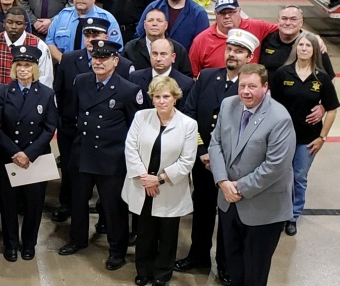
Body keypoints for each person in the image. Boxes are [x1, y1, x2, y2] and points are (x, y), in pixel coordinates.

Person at [174, 28, 260, 284]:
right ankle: (198, 255)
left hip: (233, 166)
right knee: (201, 209)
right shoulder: (208, 76)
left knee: (228, 217)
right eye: (230, 49)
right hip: (203, 162)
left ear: (249, 57)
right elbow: (189, 114)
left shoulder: (250, 87)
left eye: (239, 51)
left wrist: (220, 159)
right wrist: (202, 151)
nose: (232, 54)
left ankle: (225, 263)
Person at [209, 64, 296, 286]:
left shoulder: (280, 118)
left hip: (263, 209)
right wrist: (222, 181)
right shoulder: (228, 105)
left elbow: (275, 166)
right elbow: (215, 143)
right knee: (233, 263)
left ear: (265, 87)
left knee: (255, 271)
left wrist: (238, 188)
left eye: (252, 86)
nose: (245, 91)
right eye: (242, 86)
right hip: (229, 202)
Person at [59, 40, 141, 271]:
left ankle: (117, 251)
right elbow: (72, 115)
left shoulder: (128, 90)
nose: (99, 62)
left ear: (115, 61)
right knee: (78, 202)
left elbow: (135, 128)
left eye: (104, 58)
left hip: (111, 158)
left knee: (114, 208)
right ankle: (77, 239)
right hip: (83, 152)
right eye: (96, 57)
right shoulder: (81, 81)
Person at [51, 19, 136, 223]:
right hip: (75, 133)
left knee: (110, 196)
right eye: (87, 35)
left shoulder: (125, 67)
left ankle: (106, 222)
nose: (90, 39)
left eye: (95, 35)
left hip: (111, 143)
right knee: (75, 186)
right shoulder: (70, 60)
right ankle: (68, 213)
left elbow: (131, 115)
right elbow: (61, 95)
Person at [122, 76, 198, 286]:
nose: (161, 101)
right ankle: (143, 271)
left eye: (166, 96)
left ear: (175, 98)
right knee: (144, 232)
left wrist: (159, 180)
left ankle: (162, 274)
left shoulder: (188, 124)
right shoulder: (141, 117)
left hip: (169, 188)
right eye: (157, 97)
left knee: (167, 234)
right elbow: (130, 148)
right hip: (143, 185)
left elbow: (187, 160)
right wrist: (145, 178)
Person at [0, 45, 58, 262]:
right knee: (8, 204)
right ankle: (10, 244)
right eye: (19, 65)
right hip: (9, 158)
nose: (23, 69)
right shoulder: (2, 92)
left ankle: (29, 243)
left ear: (35, 68)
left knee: (34, 205)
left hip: (36, 159)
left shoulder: (46, 94)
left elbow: (49, 128)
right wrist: (15, 153)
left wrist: (29, 154)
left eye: (27, 65)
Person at [269, 32, 339, 236]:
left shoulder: (321, 78)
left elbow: (332, 109)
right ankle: (277, 212)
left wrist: (322, 137)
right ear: (296, 49)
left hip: (308, 139)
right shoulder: (283, 73)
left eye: (309, 46)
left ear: (315, 50)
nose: (304, 48)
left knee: (299, 176)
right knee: (280, 175)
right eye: (301, 45)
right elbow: (271, 105)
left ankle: (292, 216)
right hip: (283, 137)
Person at [188, 0, 277, 77]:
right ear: (215, 14)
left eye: (231, 12)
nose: (227, 16)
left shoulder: (257, 27)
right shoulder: (201, 41)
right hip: (216, 87)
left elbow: (283, 28)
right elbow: (193, 75)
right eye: (222, 13)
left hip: (249, 86)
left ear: (239, 11)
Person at [0, 6, 53, 93]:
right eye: (10, 22)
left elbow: (46, 81)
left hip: (29, 99)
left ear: (25, 25)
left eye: (19, 23)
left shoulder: (39, 46)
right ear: (4, 23)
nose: (13, 26)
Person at [46, 0, 122, 62]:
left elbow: (116, 50)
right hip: (64, 65)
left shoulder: (107, 18)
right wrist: (64, 61)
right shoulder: (62, 16)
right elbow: (50, 41)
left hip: (95, 67)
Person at [135, 0, 209, 50]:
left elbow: (202, 45)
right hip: (154, 56)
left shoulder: (198, 14)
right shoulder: (153, 8)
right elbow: (139, 36)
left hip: (184, 57)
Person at [260, 6, 335, 79]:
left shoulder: (312, 44)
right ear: (278, 21)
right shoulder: (266, 39)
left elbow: (330, 77)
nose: (288, 23)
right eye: (284, 18)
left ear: (301, 23)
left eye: (293, 19)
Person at [124, 8, 194, 77]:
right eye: (150, 20)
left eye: (159, 21)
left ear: (166, 25)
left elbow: (186, 78)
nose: (154, 24)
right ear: (144, 25)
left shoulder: (178, 50)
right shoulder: (131, 48)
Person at [130, 39, 195, 110]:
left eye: (163, 54)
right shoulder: (135, 78)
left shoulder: (186, 84)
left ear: (173, 57)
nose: (158, 59)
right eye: (155, 54)